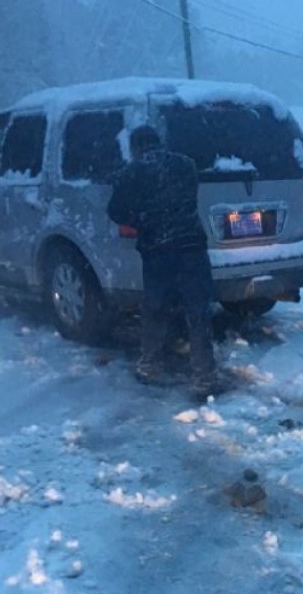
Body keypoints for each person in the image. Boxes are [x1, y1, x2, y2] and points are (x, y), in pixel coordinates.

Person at [107, 125, 219, 396]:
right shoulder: (186, 164)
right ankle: (205, 374)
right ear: (159, 143)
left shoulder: (132, 172)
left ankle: (150, 364)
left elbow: (116, 211)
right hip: (192, 247)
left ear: (135, 147)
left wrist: (142, 220)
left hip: (158, 251)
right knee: (198, 311)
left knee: (155, 309)